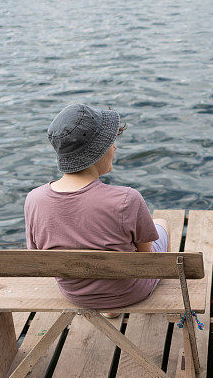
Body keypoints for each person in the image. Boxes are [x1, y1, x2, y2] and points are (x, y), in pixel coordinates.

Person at [24, 103, 169, 311]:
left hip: (74, 294)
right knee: (162, 223)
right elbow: (146, 259)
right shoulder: (127, 198)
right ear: (98, 152)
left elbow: (36, 254)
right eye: (111, 143)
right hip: (129, 293)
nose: (115, 148)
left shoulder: (34, 200)